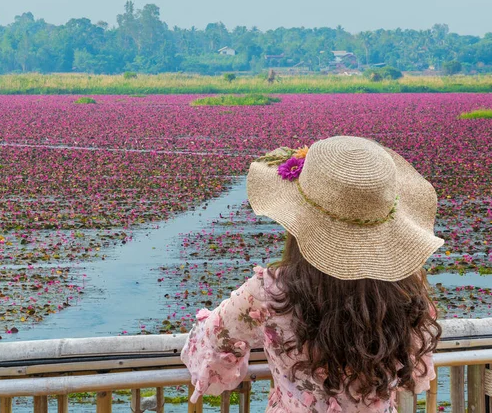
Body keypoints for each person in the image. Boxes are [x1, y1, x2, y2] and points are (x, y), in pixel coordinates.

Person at [181, 136, 443, 412]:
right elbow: (413, 371)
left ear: (299, 221)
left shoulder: (268, 291)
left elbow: (212, 342)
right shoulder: (404, 293)